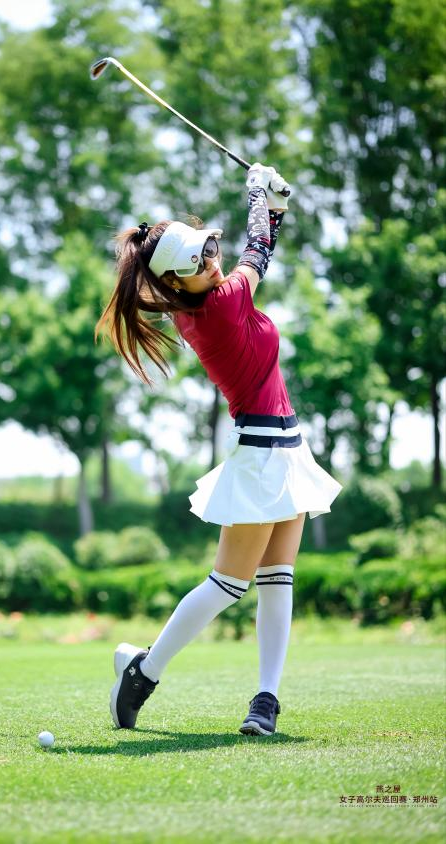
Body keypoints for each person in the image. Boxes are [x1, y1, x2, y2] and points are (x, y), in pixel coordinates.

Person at [94, 163, 343, 736]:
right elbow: (258, 251)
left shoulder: (202, 302)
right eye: (199, 262)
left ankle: (265, 702)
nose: (212, 261)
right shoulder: (222, 304)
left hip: (287, 448)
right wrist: (259, 196)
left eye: (209, 250)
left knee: (278, 579)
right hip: (262, 453)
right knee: (227, 585)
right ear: (176, 282)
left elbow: (260, 246)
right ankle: (142, 675)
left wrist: (274, 206)